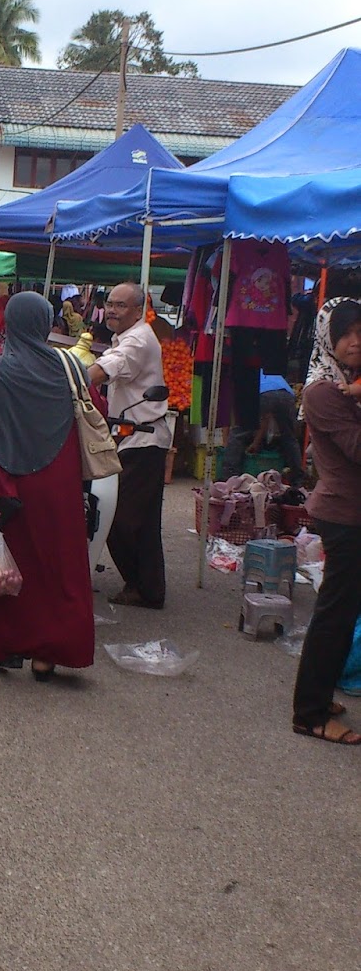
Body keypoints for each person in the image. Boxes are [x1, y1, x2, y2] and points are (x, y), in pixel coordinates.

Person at [0, 293, 95, 681]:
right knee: (60, 565)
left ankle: (7, 647)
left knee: (9, 569)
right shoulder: (72, 367)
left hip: (13, 484)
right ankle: (49, 654)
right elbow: (95, 411)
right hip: (60, 481)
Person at [292, 298, 361, 746]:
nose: (356, 341)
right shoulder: (322, 390)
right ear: (327, 337)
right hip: (345, 514)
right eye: (347, 333)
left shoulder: (345, 381)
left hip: (349, 510)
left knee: (341, 610)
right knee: (335, 614)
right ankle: (310, 712)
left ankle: (321, 693)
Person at [88, 282, 171, 609]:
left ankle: (144, 587)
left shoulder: (137, 340)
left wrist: (73, 378)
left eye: (121, 305)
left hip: (143, 439)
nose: (112, 310)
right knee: (141, 520)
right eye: (110, 303)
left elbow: (106, 368)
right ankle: (146, 587)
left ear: (138, 311)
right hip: (130, 436)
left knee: (117, 515)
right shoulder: (126, 337)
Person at [220, 370, 304, 479]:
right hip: (286, 395)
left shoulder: (238, 374)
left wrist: (226, 442)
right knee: (289, 437)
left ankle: (229, 477)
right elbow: (265, 416)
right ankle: (297, 478)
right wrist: (256, 442)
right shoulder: (267, 370)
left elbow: (229, 414)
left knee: (238, 434)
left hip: (262, 393)